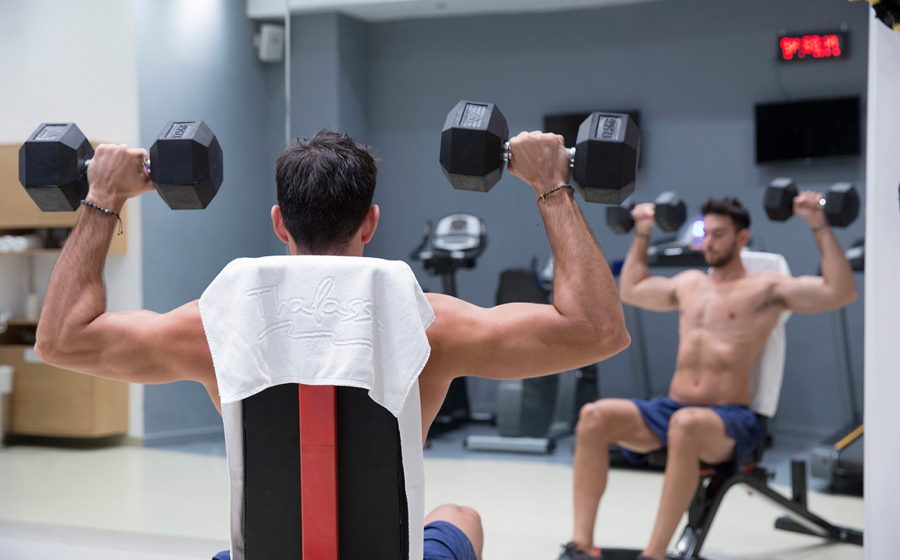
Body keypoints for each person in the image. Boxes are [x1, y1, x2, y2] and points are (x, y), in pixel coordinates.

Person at [34, 131, 630, 560]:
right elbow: (598, 330)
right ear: (369, 223)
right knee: (459, 518)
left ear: (278, 223)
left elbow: (61, 340)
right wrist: (552, 184)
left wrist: (102, 197)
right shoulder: (429, 326)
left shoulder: (213, 325)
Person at [558, 196, 857, 560]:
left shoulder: (766, 288)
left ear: (741, 238)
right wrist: (642, 232)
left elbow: (839, 292)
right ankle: (581, 547)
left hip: (732, 420)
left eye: (719, 235)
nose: (709, 243)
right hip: (673, 410)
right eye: (706, 234)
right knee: (594, 416)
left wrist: (818, 223)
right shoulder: (688, 284)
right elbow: (632, 289)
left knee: (686, 425)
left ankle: (654, 555)